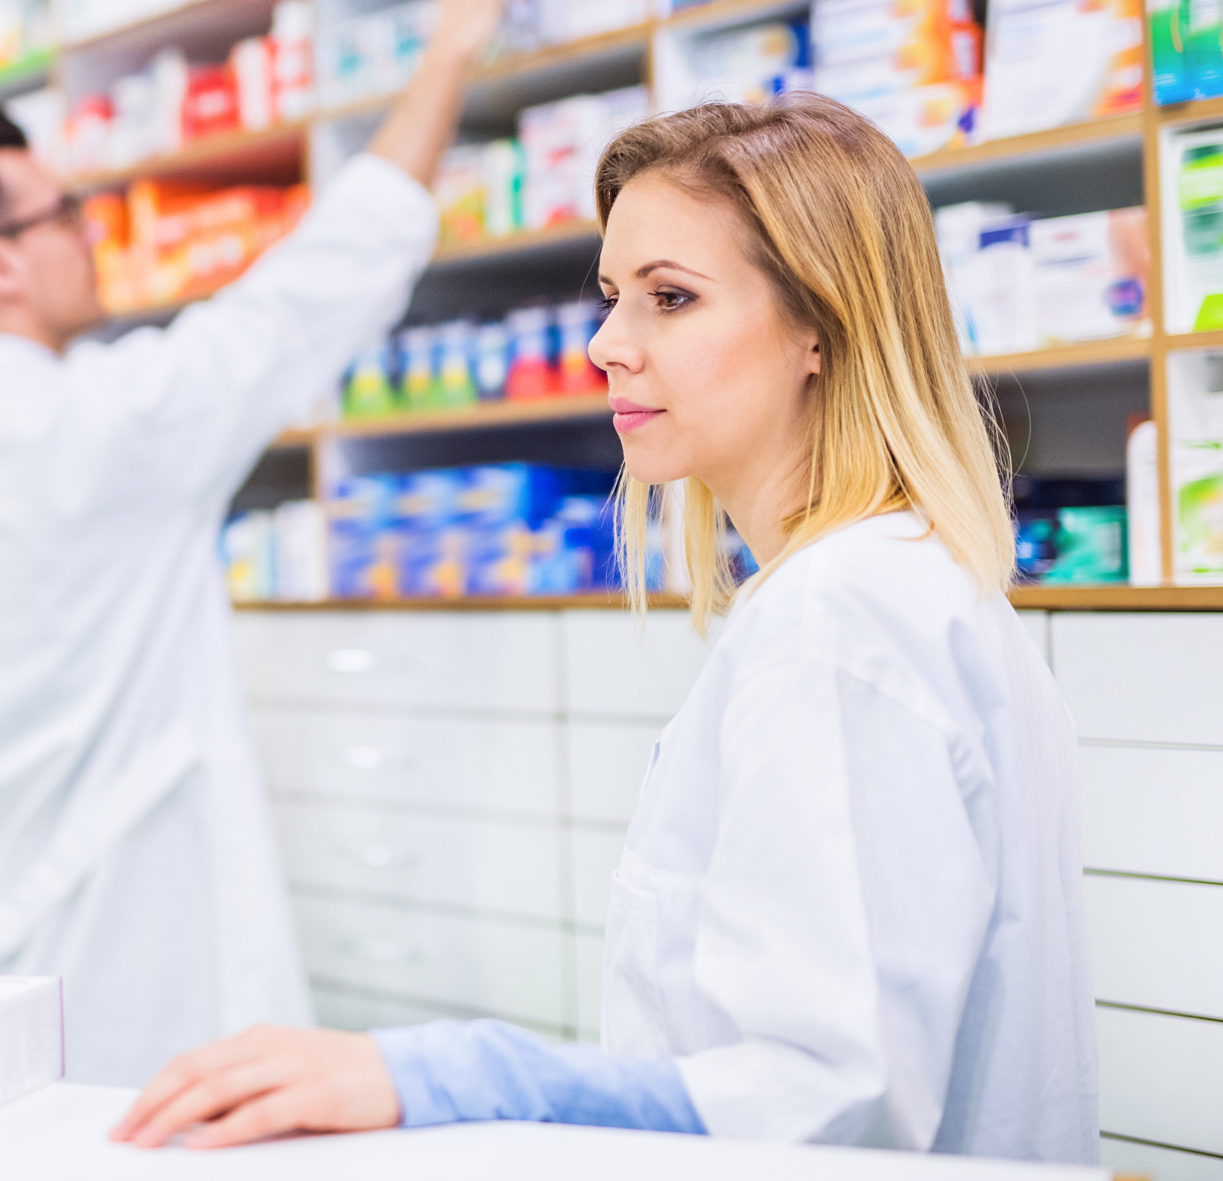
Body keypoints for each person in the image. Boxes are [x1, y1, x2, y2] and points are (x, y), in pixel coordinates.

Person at [110, 94, 1098, 1160]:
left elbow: (825, 1099)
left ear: (819, 325)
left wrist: (445, 1074)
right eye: (612, 296)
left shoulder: (840, 620)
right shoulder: (892, 582)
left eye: (669, 298)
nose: (603, 344)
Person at [0, 0, 522, 1088]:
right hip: (162, 978)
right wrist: (448, 47)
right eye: (64, 213)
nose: (88, 230)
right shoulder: (112, 425)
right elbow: (327, 275)